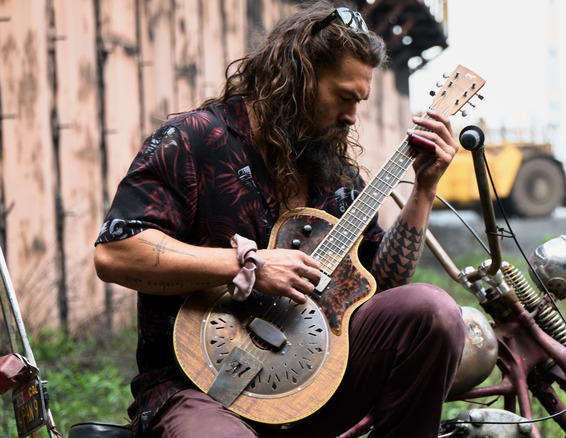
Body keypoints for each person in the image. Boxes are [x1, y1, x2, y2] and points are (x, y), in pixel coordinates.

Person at [93, 1, 465, 437]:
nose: (352, 117)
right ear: (299, 74)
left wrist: (423, 189)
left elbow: (382, 286)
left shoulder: (335, 174)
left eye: (359, 101)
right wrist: (250, 267)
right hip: (199, 386)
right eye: (344, 97)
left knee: (433, 312)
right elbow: (116, 254)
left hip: (314, 381)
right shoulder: (195, 140)